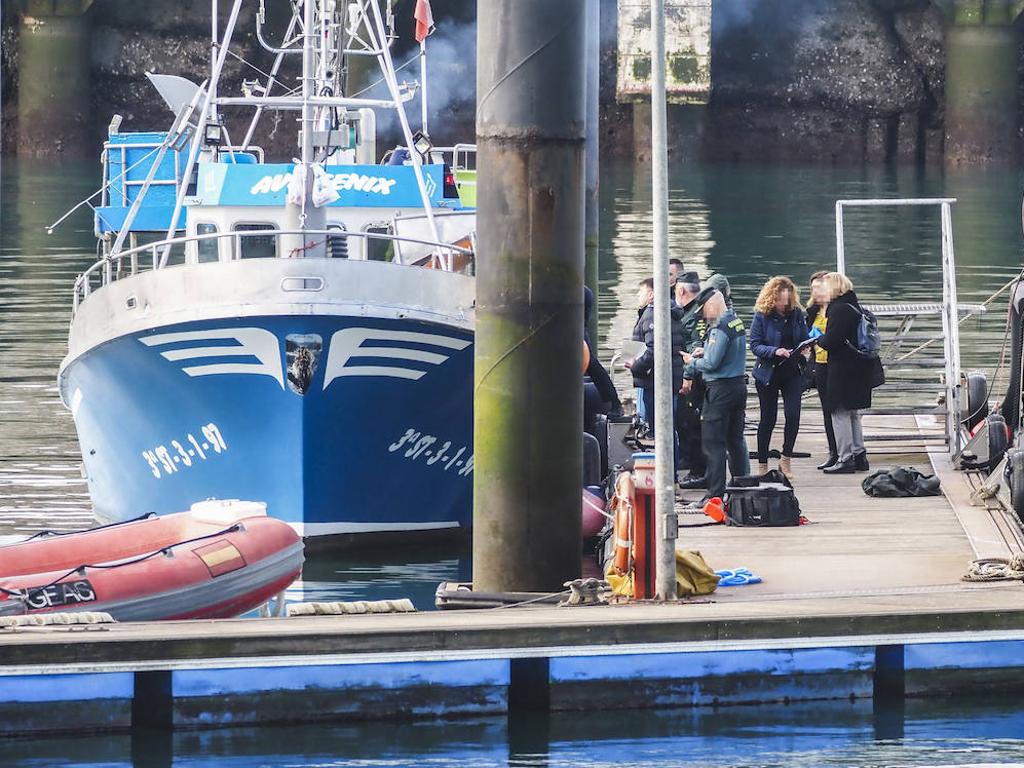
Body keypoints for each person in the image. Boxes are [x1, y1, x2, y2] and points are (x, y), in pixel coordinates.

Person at [682, 291, 750, 502]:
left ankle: (715, 493)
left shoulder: (719, 328)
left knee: (713, 443)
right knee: (735, 439)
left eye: (704, 310)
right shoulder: (736, 322)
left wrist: (690, 362)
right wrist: (707, 352)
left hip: (720, 390)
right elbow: (724, 354)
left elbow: (711, 364)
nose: (703, 316)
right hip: (738, 386)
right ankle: (742, 486)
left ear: (713, 304)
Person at [749, 276, 809, 478]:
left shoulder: (797, 314)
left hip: (792, 370)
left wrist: (805, 347)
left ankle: (786, 457)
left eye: (788, 300)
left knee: (793, 414)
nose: (785, 304)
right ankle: (763, 462)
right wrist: (775, 351)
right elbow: (755, 345)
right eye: (782, 300)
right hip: (768, 372)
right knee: (768, 418)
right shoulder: (761, 316)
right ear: (773, 299)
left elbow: (803, 336)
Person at [815, 272, 872, 474]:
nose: (822, 290)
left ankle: (845, 457)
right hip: (858, 367)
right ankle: (860, 455)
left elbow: (831, 341)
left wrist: (818, 340)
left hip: (842, 369)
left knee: (838, 413)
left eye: (825, 286)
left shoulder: (838, 310)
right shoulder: (855, 306)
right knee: (853, 413)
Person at [626, 278, 685, 466]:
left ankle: (667, 474)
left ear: (651, 294)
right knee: (668, 429)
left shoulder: (652, 315)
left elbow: (653, 350)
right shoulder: (671, 313)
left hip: (655, 381)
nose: (638, 296)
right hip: (671, 378)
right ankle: (671, 474)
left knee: (661, 430)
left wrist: (635, 365)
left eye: (641, 292)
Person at [675, 272, 710, 488]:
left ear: (680, 290)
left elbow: (695, 349)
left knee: (694, 426)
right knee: (690, 426)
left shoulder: (694, 315)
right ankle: (694, 466)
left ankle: (699, 472)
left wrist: (688, 376)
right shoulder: (692, 312)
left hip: (696, 379)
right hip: (696, 376)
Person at [806, 270, 838, 469]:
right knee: (827, 410)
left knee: (839, 409)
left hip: (835, 362)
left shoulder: (837, 309)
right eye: (813, 289)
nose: (816, 292)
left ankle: (843, 450)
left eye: (819, 287)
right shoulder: (812, 311)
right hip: (819, 363)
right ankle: (833, 450)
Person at [583, 286, 623, 417]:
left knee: (591, 364)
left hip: (578, 301)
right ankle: (614, 402)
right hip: (580, 301)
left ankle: (614, 403)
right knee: (592, 365)